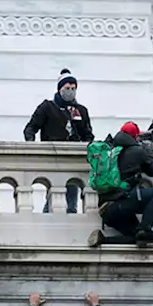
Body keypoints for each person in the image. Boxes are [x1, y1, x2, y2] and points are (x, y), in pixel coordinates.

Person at [26, 69, 94, 214]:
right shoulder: (48, 107)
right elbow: (31, 127)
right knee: (54, 194)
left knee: (71, 197)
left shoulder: (80, 111)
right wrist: (31, 145)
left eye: (74, 89)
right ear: (60, 89)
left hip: (74, 157)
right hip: (53, 155)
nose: (71, 91)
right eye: (67, 88)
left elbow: (88, 134)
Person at [88, 122, 153, 248]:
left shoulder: (109, 150)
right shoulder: (137, 151)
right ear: (135, 137)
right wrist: (148, 151)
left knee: (137, 237)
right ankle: (146, 228)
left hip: (106, 210)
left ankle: (103, 240)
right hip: (122, 203)